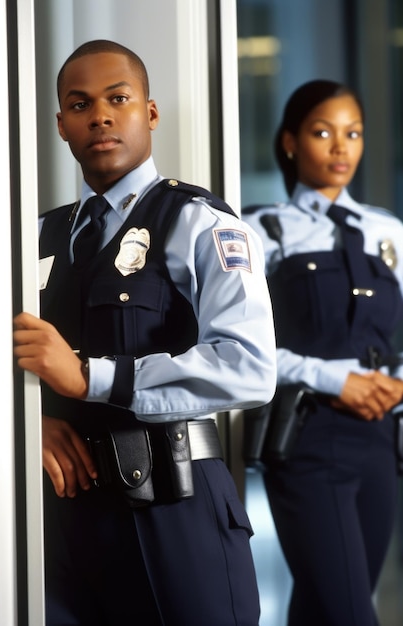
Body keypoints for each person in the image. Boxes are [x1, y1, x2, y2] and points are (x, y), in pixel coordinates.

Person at [13, 39, 276, 626]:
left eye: (118, 98)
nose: (100, 115)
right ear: (60, 125)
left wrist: (87, 377)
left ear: (149, 113)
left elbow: (250, 368)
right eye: (79, 104)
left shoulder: (197, 222)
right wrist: (29, 425)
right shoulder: (32, 238)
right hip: (61, 519)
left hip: (173, 505)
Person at [243, 79, 403, 626]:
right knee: (351, 614)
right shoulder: (261, 231)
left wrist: (397, 384)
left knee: (322, 608)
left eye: (353, 134)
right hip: (308, 440)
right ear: (290, 142)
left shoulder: (388, 231)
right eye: (323, 132)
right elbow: (250, 348)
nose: (341, 148)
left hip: (381, 440)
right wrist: (337, 379)